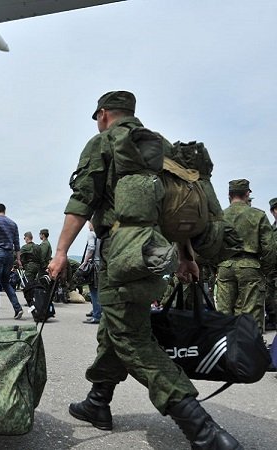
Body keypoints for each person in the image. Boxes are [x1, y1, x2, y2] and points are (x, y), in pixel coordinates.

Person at [48, 90, 242, 449]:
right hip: (156, 252)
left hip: (122, 254)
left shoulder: (104, 142)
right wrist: (186, 255)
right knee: (118, 326)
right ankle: (98, 401)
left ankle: (204, 431)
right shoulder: (158, 145)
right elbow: (173, 209)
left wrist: (60, 252)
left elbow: (82, 200)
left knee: (131, 337)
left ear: (104, 114)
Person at [215, 180, 276, 333]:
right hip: (250, 266)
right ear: (247, 194)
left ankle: (225, 344)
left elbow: (210, 245)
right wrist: (264, 270)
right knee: (251, 314)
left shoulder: (220, 217)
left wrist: (217, 266)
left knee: (224, 313)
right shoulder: (258, 215)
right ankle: (250, 345)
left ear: (229, 194)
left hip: (225, 267)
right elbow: (269, 247)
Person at [81, 222, 101, 324]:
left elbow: (91, 248)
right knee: (99, 290)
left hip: (93, 265)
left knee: (93, 291)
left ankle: (97, 315)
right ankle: (97, 311)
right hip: (101, 264)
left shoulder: (91, 234)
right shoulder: (101, 234)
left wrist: (84, 262)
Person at [264, 197, 277, 331]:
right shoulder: (271, 229)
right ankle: (273, 319)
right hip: (272, 268)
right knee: (269, 295)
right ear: (272, 212)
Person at [20, 231, 40, 305]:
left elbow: (19, 256)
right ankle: (36, 299)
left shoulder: (25, 247)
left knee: (27, 284)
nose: (24, 239)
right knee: (35, 283)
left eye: (24, 238)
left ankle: (30, 301)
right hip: (37, 266)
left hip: (30, 267)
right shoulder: (37, 247)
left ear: (27, 238)